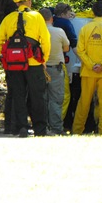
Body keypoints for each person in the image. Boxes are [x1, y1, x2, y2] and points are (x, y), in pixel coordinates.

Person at [0, 0, 51, 137]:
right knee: (37, 96)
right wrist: (44, 59)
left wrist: (5, 56)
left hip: (14, 65)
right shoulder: (37, 17)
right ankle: (40, 129)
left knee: (18, 95)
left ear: (17, 3)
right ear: (28, 1)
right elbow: (45, 40)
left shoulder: (8, 19)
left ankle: (21, 127)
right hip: (33, 63)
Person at [72, 1, 102, 135]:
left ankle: (77, 130)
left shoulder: (85, 28)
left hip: (88, 72)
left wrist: (91, 65)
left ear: (93, 13)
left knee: (84, 102)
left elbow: (80, 50)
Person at [40, 7, 70, 135]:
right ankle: (56, 128)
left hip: (40, 69)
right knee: (56, 99)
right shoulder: (59, 31)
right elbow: (66, 48)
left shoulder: (36, 32)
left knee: (42, 98)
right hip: (56, 69)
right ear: (52, 18)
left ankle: (43, 126)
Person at [53, 2, 78, 123]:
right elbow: (74, 46)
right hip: (59, 63)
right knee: (65, 94)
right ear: (63, 14)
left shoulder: (50, 19)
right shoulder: (66, 24)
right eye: (68, 14)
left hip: (43, 63)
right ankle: (58, 122)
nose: (70, 16)